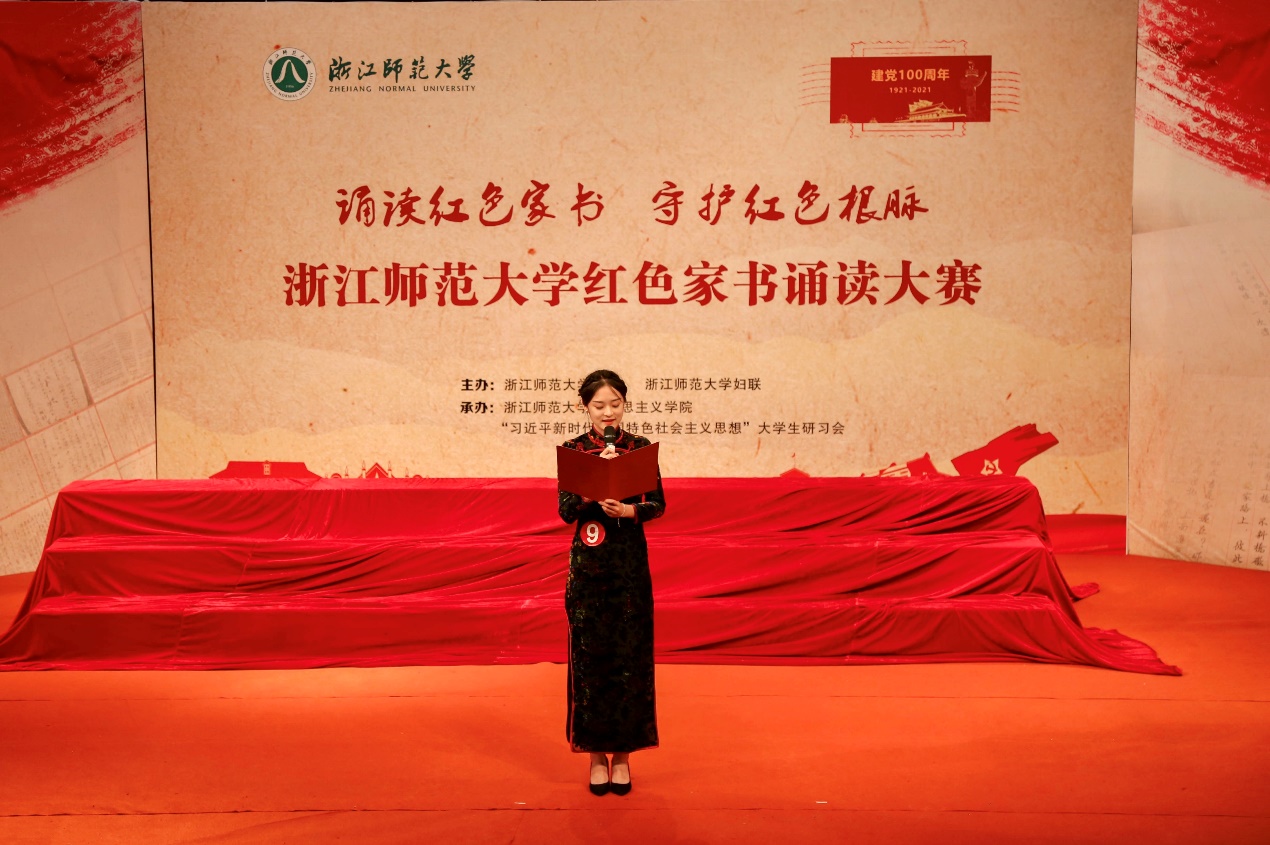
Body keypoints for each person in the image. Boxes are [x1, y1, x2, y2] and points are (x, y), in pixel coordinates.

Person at [557, 369, 665, 796]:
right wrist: (588, 492)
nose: (608, 413)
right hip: (589, 568)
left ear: (624, 404)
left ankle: (623, 756)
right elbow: (566, 511)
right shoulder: (574, 450)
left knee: (629, 660)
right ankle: (595, 757)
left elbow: (658, 504)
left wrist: (629, 511)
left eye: (615, 404)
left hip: (628, 565)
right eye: (599, 406)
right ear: (585, 407)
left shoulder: (639, 447)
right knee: (591, 659)